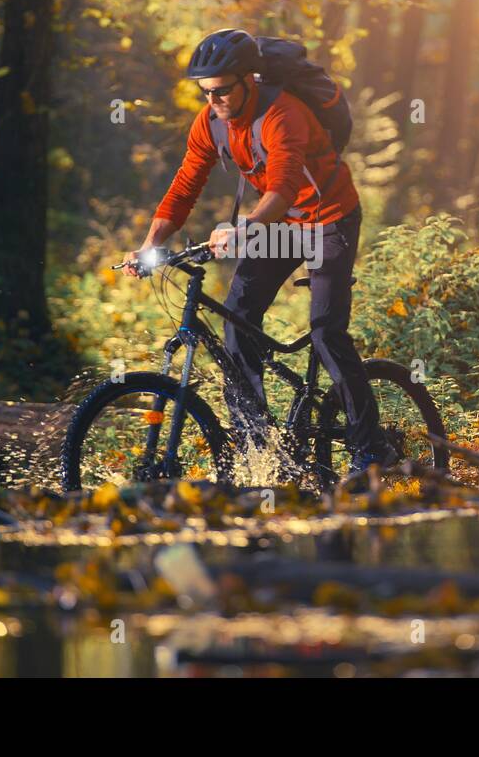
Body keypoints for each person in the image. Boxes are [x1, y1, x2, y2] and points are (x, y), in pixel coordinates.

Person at [123, 29, 397, 473]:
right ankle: (259, 444)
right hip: (284, 225)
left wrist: (244, 227)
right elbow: (185, 185)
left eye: (223, 91)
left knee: (327, 331)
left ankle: (371, 449)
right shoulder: (210, 122)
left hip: (329, 219)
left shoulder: (282, 114)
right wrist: (149, 245)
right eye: (206, 93)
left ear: (248, 79)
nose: (214, 101)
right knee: (237, 318)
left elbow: (285, 187)